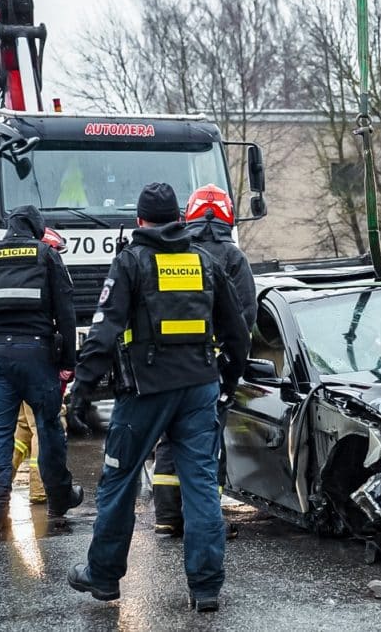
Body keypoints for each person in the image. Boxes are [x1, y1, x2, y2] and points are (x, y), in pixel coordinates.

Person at [66, 182, 250, 612]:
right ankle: (205, 588)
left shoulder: (131, 262)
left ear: (141, 221)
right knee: (202, 487)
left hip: (146, 391)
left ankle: (105, 577)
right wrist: (226, 382)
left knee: (119, 480)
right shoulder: (204, 261)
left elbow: (104, 329)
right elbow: (237, 332)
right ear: (178, 218)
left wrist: (82, 388)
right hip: (199, 388)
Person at [0, 206, 83, 532]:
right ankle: (57, 505)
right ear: (37, 229)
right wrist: (68, 362)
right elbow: (66, 314)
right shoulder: (46, 255)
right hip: (39, 356)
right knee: (49, 429)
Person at [153, 184, 256, 539]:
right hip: (209, 368)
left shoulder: (177, 252)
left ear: (189, 216)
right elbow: (244, 319)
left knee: (168, 440)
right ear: (227, 216)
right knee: (206, 445)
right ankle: (206, 522)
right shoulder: (233, 258)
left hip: (167, 368)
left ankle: (167, 516)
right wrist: (231, 376)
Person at [10, 227, 72, 505]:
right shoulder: (45, 281)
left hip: (17, 362)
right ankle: (41, 488)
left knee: (24, 427)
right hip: (40, 365)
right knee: (46, 427)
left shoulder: (22, 280)